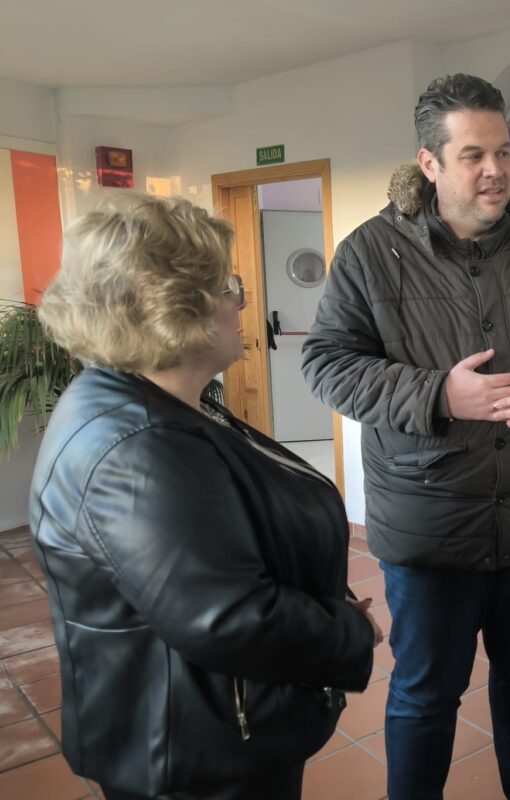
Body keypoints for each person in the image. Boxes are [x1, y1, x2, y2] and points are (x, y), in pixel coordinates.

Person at [301, 73, 510, 800]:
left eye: (502, 151)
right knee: (425, 691)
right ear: (430, 164)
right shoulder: (370, 254)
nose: (495, 170)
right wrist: (439, 394)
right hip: (430, 525)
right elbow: (326, 365)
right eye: (473, 155)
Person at [29, 195, 380, 800]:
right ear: (171, 307)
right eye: (227, 287)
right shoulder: (137, 444)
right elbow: (227, 618)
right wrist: (350, 631)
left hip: (210, 731)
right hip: (192, 759)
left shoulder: (160, 406)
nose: (240, 301)